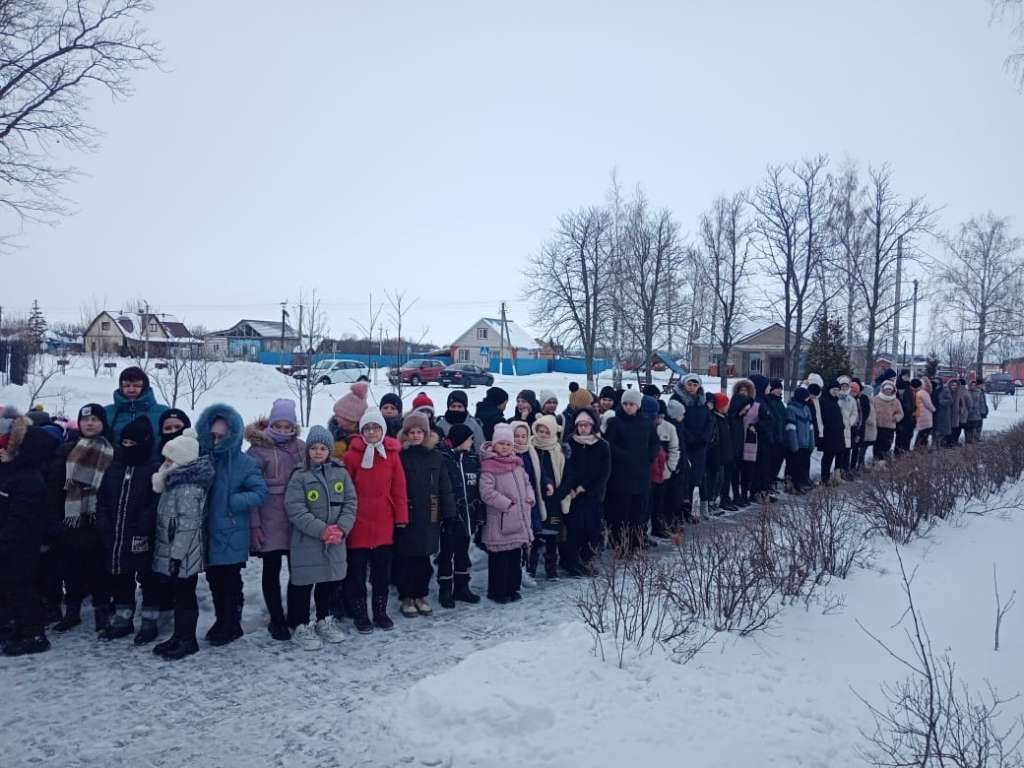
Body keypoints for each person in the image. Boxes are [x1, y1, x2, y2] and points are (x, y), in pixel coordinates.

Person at [196, 403, 268, 647]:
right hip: (209, 531)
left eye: (221, 436)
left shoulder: (244, 462)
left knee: (230, 580)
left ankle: (232, 623)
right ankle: (221, 620)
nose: (216, 440)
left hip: (231, 532)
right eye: (213, 436)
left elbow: (260, 492)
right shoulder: (203, 459)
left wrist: (233, 501)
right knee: (214, 579)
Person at [283, 425, 357, 651]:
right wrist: (322, 530)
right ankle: (300, 624)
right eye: (313, 447)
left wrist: (341, 529)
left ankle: (324, 619)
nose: (318, 452)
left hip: (335, 541)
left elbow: (350, 502)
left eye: (323, 448)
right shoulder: (300, 475)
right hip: (307, 541)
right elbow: (295, 508)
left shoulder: (340, 473)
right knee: (303, 585)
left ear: (329, 450)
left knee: (328, 583)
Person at [94, 416, 164, 643]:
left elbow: (154, 503)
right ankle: (123, 619)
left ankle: (149, 622)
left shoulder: (153, 469)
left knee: (148, 578)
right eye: (124, 443)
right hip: (115, 534)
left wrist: (143, 525)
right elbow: (102, 498)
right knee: (120, 576)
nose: (127, 447)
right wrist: (103, 522)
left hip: (141, 535)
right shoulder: (114, 468)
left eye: (132, 443)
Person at [150, 429, 216, 660]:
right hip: (174, 552)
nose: (165, 462)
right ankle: (178, 635)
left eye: (170, 458)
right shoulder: (173, 482)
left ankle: (188, 639)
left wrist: (177, 556)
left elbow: (188, 525)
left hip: (184, 554)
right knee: (179, 595)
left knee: (185, 596)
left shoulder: (188, 488)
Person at [342, 408, 408, 633]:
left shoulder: (392, 455)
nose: (371, 432)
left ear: (383, 430)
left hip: (383, 523)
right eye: (367, 428)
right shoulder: (351, 456)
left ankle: (380, 612)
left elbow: (399, 489)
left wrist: (401, 518)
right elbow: (345, 490)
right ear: (361, 431)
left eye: (376, 428)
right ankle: (360, 614)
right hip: (357, 523)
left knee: (381, 573)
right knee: (357, 573)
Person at [52, 403, 116, 634]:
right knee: (72, 567)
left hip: (99, 518)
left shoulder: (112, 450)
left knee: (100, 569)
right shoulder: (67, 449)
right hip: (72, 519)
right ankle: (72, 612)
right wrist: (56, 517)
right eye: (85, 419)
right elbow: (55, 485)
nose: (89, 423)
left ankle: (102, 612)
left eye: (95, 419)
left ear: (103, 423)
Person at [245, 398, 305, 642]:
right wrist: (254, 524)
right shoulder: (257, 450)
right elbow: (250, 488)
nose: (282, 430)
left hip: (295, 518)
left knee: (298, 570)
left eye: (287, 426)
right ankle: (276, 618)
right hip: (268, 517)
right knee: (271, 570)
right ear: (270, 424)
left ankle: (296, 615)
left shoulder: (300, 447)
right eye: (278, 425)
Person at [1, 422, 60, 656]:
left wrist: (5, 539)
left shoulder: (29, 479)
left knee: (21, 589)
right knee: (10, 587)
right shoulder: (15, 474)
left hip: (21, 545)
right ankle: (19, 627)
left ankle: (35, 634)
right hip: (12, 543)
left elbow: (21, 519)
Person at [396, 412, 455, 618]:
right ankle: (407, 597)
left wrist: (449, 513)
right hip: (407, 514)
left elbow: (444, 486)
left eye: (419, 432)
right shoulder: (400, 456)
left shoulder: (436, 456)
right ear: (405, 434)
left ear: (426, 434)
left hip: (430, 515)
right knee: (406, 559)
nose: (415, 435)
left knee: (423, 560)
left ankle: (421, 595)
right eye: (411, 432)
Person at [479, 424, 535, 603]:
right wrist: (506, 503)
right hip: (500, 520)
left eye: (508, 444)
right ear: (494, 444)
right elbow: (486, 492)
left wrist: (529, 498)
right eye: (501, 443)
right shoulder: (489, 466)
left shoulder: (517, 464)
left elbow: (527, 483)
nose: (505, 447)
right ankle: (497, 591)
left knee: (514, 557)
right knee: (499, 559)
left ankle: (513, 588)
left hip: (518, 519)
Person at [555, 408, 609, 576]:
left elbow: (604, 472)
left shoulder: (602, 445)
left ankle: (587, 560)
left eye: (586, 425)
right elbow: (566, 468)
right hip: (573, 495)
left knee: (591, 530)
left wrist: (587, 487)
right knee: (573, 530)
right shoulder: (569, 443)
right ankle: (570, 561)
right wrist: (570, 488)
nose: (583, 428)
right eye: (580, 425)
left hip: (592, 494)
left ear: (593, 426)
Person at [603, 389, 660, 548]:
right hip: (620, 476)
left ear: (638, 406)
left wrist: (649, 456)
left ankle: (637, 542)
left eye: (631, 404)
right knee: (620, 513)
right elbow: (608, 445)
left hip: (641, 475)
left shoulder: (646, 423)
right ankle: (618, 543)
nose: (628, 407)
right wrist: (624, 455)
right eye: (625, 404)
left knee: (638, 512)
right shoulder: (615, 423)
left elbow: (655, 443)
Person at [436, 423, 482, 608]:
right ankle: (445, 589)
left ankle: (462, 587)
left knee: (463, 554)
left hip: (468, 516)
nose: (472, 442)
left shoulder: (472, 459)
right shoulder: (444, 459)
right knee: (447, 554)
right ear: (460, 440)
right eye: (469, 439)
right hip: (449, 517)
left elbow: (477, 489)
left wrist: (478, 513)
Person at [529, 415, 569, 578]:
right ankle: (531, 566)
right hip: (534, 496)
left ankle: (551, 568)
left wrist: (560, 492)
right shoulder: (530, 447)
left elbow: (563, 472)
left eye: (547, 432)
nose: (543, 435)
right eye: (540, 431)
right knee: (535, 534)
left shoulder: (557, 450)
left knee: (552, 533)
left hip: (553, 498)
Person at [671, 374, 712, 519]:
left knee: (698, 477)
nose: (692, 388)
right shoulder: (677, 399)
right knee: (685, 478)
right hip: (685, 444)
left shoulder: (702, 400)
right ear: (684, 385)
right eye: (689, 384)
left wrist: (705, 437)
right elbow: (677, 421)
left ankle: (699, 507)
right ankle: (684, 510)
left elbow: (709, 420)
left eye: (695, 385)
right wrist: (689, 437)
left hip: (700, 445)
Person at [105, 366, 169, 454]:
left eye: (136, 386)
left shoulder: (163, 412)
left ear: (145, 387)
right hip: (115, 461)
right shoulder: (106, 412)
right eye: (126, 386)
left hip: (154, 461)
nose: (131, 390)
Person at [511, 420, 545, 580]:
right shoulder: (509, 454)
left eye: (523, 436)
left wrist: (547, 483)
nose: (520, 439)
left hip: (531, 500)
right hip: (516, 502)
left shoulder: (531, 452)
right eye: (516, 436)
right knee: (519, 537)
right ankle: (520, 568)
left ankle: (531, 568)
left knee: (533, 535)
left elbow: (540, 472)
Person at [727, 381, 755, 508]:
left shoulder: (752, 405)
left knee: (745, 471)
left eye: (746, 391)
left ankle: (743, 495)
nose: (743, 393)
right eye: (741, 390)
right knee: (735, 471)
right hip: (737, 444)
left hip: (748, 443)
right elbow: (734, 417)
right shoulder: (735, 406)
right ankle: (736, 495)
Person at [708, 393, 735, 513]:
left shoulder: (724, 418)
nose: (728, 407)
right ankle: (710, 503)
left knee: (720, 480)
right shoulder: (716, 419)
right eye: (726, 404)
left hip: (724, 455)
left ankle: (714, 502)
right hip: (716, 455)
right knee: (714, 480)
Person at [784, 388, 814, 493]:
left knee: (804, 464)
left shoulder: (806, 408)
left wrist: (811, 442)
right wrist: (794, 445)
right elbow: (790, 428)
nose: (807, 399)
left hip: (806, 443)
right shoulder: (791, 409)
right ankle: (793, 484)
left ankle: (803, 481)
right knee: (794, 465)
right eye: (806, 397)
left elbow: (811, 427)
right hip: (796, 444)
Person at [328, 381, 370, 459]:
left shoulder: (366, 439)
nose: (336, 418)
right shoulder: (331, 433)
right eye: (336, 415)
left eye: (340, 416)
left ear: (353, 420)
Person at [819, 379, 847, 485]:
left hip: (838, 432)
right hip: (828, 433)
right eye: (834, 389)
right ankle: (825, 478)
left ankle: (836, 476)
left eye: (837, 390)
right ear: (829, 389)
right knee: (828, 456)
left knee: (839, 453)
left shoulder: (835, 401)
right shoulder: (824, 400)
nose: (835, 391)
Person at [872, 380, 904, 462]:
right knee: (877, 445)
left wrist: (896, 418)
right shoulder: (875, 399)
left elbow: (900, 413)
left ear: (893, 390)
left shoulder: (896, 401)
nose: (888, 391)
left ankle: (883, 462)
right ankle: (876, 461)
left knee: (887, 445)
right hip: (878, 426)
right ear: (883, 389)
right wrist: (874, 418)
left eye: (890, 389)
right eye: (886, 389)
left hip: (889, 427)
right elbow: (871, 411)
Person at [849, 379, 873, 473]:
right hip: (848, 427)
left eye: (855, 389)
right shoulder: (848, 398)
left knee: (856, 448)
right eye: (852, 389)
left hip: (859, 427)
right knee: (847, 449)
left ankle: (853, 467)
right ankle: (845, 468)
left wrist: (859, 423)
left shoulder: (863, 398)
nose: (853, 392)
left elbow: (866, 413)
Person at [836, 376, 859, 478]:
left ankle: (845, 470)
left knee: (847, 450)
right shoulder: (836, 398)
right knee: (839, 451)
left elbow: (854, 413)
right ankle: (838, 471)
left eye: (846, 386)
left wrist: (850, 422)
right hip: (838, 428)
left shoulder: (851, 399)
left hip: (848, 428)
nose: (844, 388)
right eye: (842, 386)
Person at [894, 374, 916, 455]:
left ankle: (904, 451)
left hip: (909, 415)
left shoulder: (909, 388)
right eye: (905, 376)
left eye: (907, 376)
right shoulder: (898, 387)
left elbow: (911, 401)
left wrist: (913, 409)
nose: (907, 378)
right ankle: (898, 452)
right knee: (900, 436)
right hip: (902, 414)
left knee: (907, 435)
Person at [915, 378, 935, 449]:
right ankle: (920, 449)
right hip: (925, 416)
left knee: (921, 433)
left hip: (921, 415)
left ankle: (918, 448)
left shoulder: (919, 392)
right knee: (924, 434)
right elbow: (928, 404)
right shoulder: (923, 393)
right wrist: (934, 409)